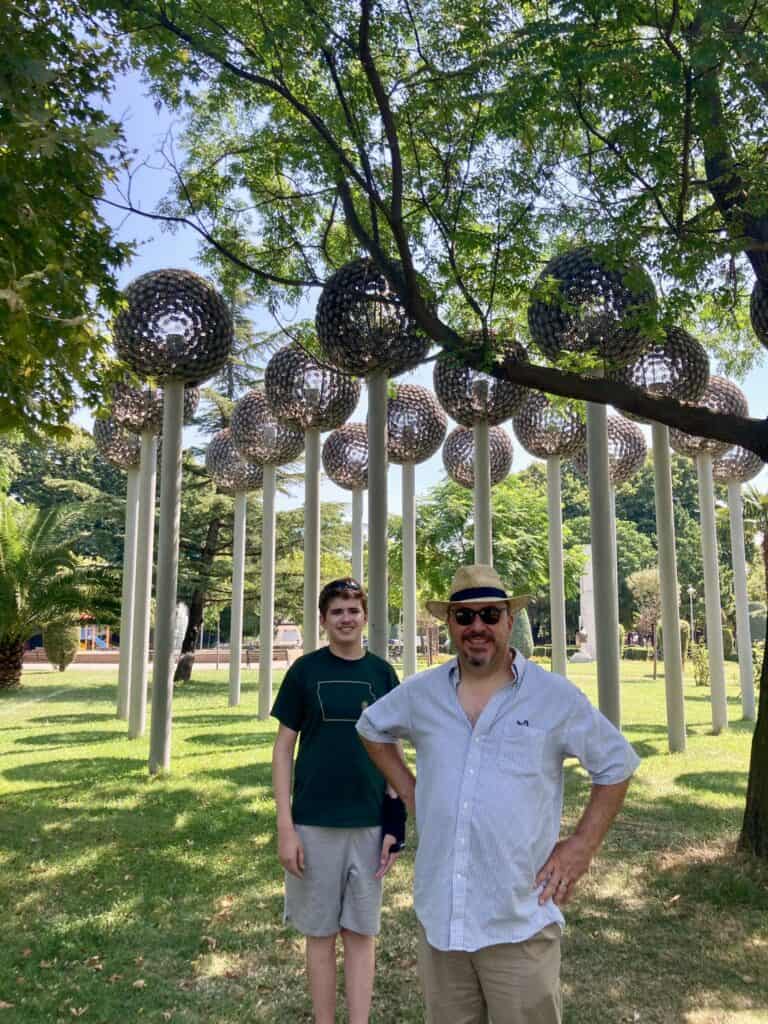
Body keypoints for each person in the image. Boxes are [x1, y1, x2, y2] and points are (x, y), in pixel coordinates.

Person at [356, 564, 640, 1024]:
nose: (477, 628)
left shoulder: (552, 697)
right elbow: (370, 727)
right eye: (464, 617)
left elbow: (617, 763)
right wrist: (411, 792)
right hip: (442, 925)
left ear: (509, 620)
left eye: (490, 614)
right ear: (449, 625)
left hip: (519, 922)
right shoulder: (422, 693)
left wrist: (581, 847)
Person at [271, 577, 406, 1024]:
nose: (346, 619)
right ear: (324, 620)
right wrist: (286, 827)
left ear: (365, 616)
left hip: (368, 824)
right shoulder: (304, 672)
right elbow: (282, 750)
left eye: (353, 610)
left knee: (362, 932)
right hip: (313, 825)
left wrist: (394, 821)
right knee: (321, 934)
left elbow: (394, 754)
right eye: (337, 612)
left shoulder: (383, 674)